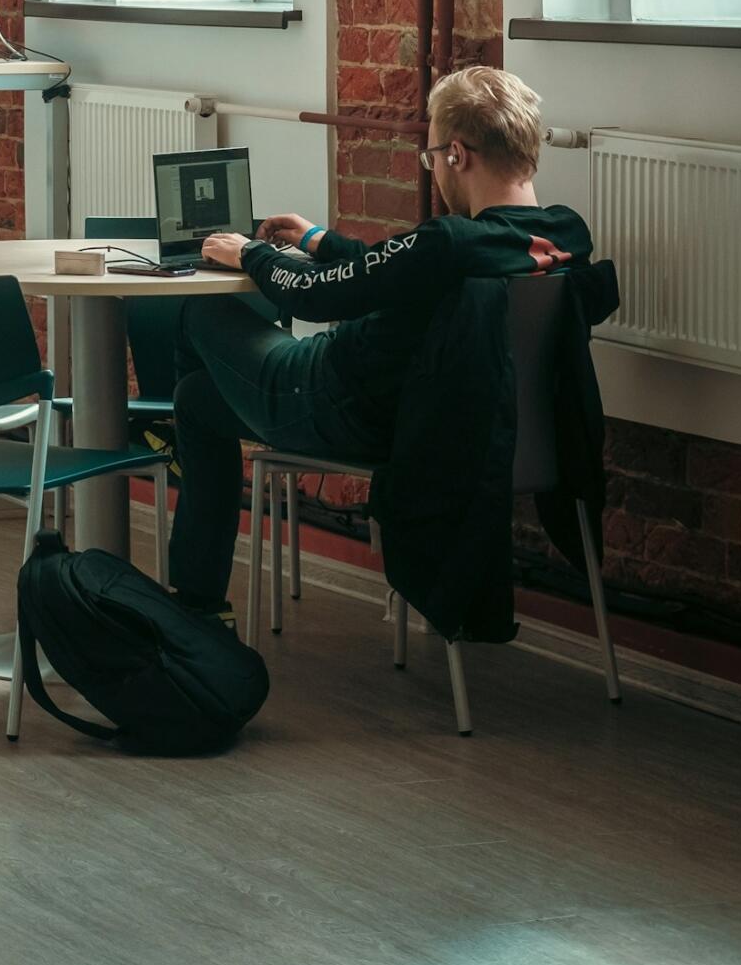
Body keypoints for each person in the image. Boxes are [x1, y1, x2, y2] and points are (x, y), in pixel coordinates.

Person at [166, 64, 597, 631]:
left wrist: (249, 253)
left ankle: (158, 449)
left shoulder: (448, 242)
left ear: (456, 155)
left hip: (325, 400)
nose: (434, 167)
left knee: (198, 309)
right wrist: (319, 240)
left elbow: (317, 297)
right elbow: (395, 272)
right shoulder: (565, 237)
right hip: (443, 430)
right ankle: (196, 598)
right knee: (198, 400)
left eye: (432, 155)